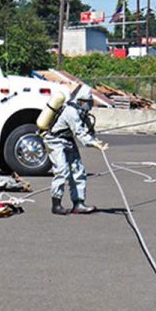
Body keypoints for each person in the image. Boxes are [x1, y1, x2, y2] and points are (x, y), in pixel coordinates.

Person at [43, 85, 107, 215]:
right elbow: (79, 133)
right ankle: (56, 205)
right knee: (62, 170)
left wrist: (95, 139)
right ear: (81, 101)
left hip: (67, 140)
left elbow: (88, 130)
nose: (89, 106)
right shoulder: (71, 111)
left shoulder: (82, 114)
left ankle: (79, 203)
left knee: (78, 170)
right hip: (55, 140)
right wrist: (94, 144)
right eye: (88, 103)